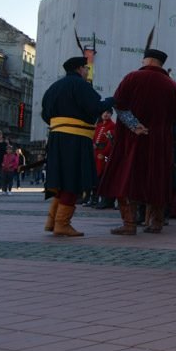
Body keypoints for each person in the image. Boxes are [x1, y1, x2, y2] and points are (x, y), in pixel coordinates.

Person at [98, 48, 176, 236]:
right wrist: (166, 130)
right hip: (160, 144)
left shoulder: (132, 78)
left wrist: (134, 125)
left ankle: (129, 223)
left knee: (127, 180)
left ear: (147, 61)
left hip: (132, 142)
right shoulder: (172, 86)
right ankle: (156, 223)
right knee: (157, 181)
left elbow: (118, 103)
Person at [40, 56, 114, 236]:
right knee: (72, 180)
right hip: (76, 138)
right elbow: (95, 107)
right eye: (86, 68)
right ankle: (62, 224)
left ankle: (52, 221)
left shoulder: (54, 87)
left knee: (61, 180)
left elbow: (45, 114)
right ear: (80, 69)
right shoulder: (80, 85)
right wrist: (113, 100)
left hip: (56, 137)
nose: (87, 71)